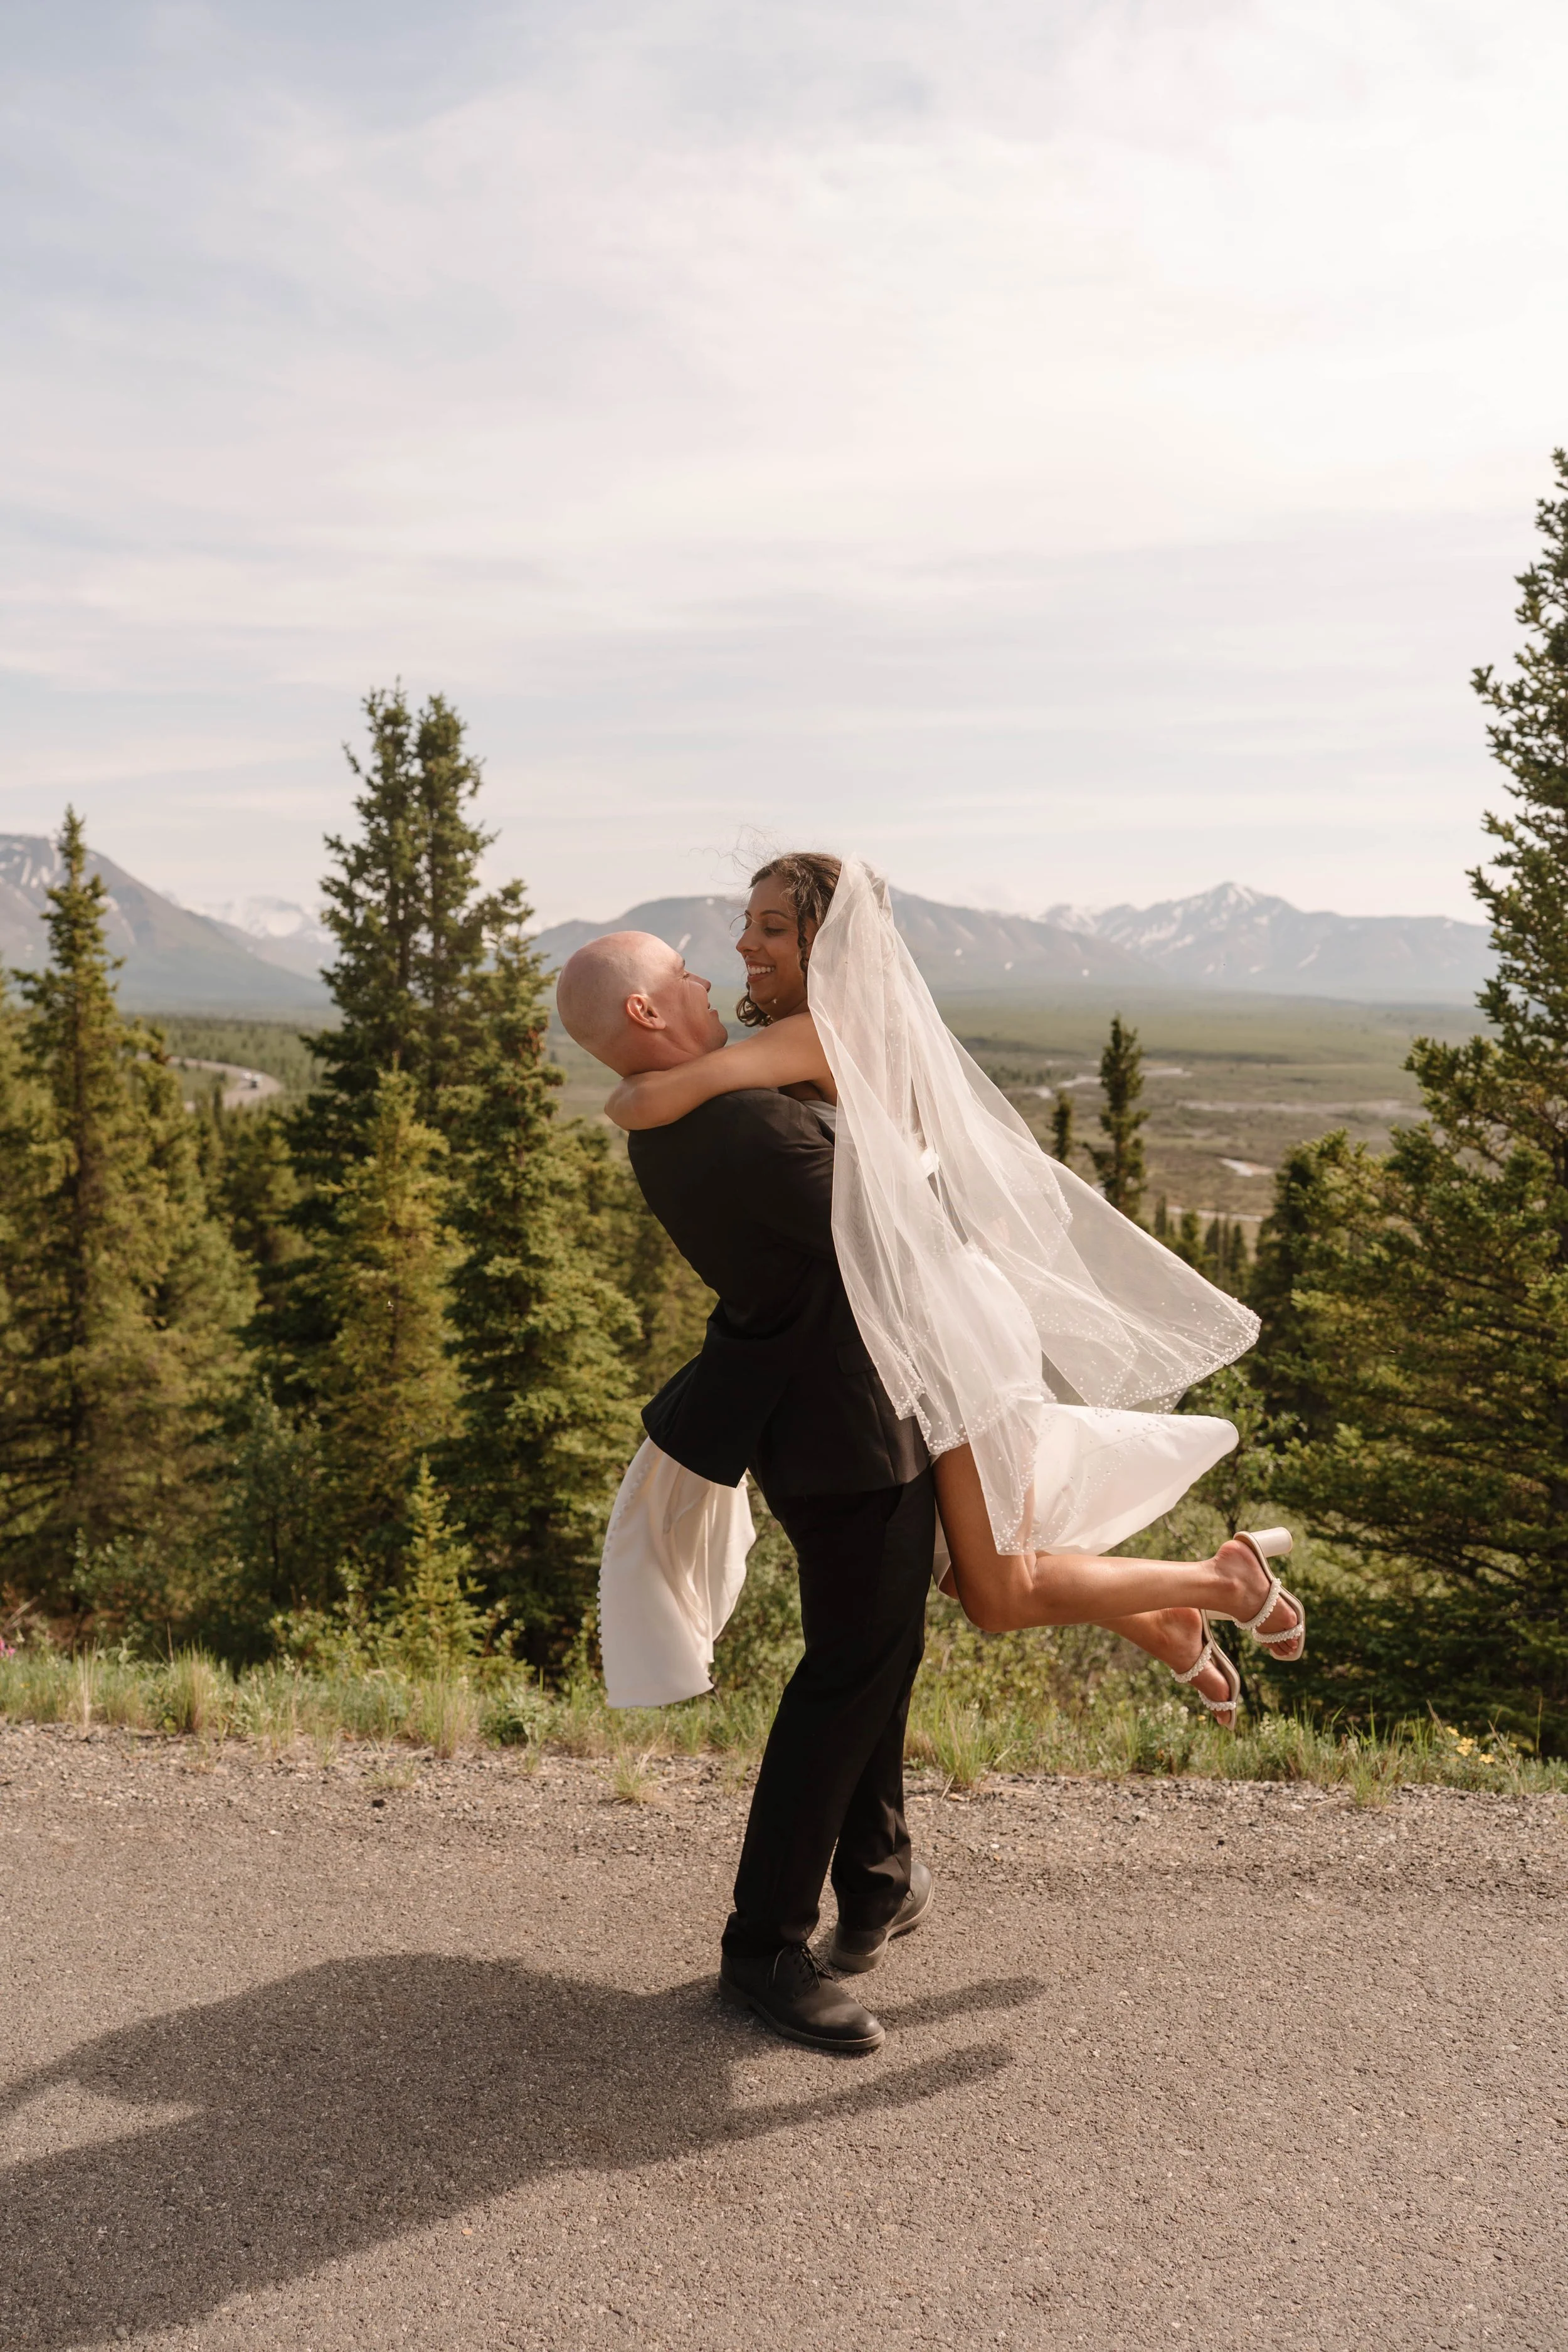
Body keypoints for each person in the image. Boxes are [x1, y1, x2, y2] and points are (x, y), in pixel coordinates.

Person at [600, 853, 1306, 1729]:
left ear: (829, 941)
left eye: (773, 927)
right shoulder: (820, 1032)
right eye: (747, 924)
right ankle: (1165, 1621)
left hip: (948, 1329)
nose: (745, 943)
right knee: (962, 1565)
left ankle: (1222, 1581)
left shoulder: (823, 1032)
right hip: (920, 1326)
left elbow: (652, 1100)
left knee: (999, 1592)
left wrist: (630, 1081)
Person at [556, 923, 937, 2060]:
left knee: (872, 1657)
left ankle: (877, 1880)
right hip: (848, 1437)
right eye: (682, 974)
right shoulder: (734, 1127)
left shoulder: (681, 1112)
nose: (707, 977)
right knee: (846, 1678)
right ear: (644, 1011)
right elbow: (900, 1227)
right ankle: (763, 1945)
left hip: (822, 1426)